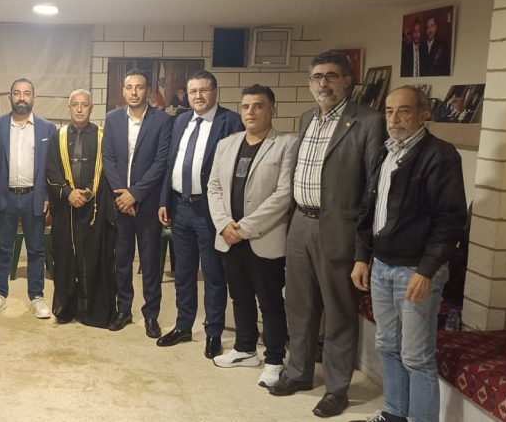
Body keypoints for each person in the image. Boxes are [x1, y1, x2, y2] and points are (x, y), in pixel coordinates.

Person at [267, 51, 386, 418]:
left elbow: (372, 187)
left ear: (347, 80)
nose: (324, 83)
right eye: (317, 76)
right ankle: (299, 373)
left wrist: (363, 248)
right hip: (300, 223)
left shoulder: (367, 122)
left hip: (340, 228)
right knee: (299, 305)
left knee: (338, 312)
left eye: (332, 76)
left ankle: (336, 389)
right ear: (309, 82)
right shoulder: (307, 118)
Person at [350, 86, 466, 422]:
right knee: (387, 346)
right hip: (382, 267)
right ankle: (395, 414)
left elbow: (451, 220)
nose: (394, 119)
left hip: (416, 271)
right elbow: (369, 210)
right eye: (389, 111)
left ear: (423, 115)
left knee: (416, 356)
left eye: (404, 111)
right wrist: (362, 256)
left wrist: (426, 270)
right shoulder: (385, 153)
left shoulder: (440, 155)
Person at [207, 84, 296, 387]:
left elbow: (283, 194)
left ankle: (274, 359)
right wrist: (224, 224)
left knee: (270, 301)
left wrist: (244, 228)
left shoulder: (285, 145)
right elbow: (214, 187)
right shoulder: (227, 144)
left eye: (258, 106)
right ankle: (245, 349)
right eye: (246, 106)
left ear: (273, 110)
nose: (250, 112)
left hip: (262, 237)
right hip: (229, 237)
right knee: (240, 296)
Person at [156, 71, 243, 359]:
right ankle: (183, 326)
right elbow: (170, 163)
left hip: (209, 210)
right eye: (193, 91)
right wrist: (164, 200)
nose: (198, 96)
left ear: (215, 91)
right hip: (180, 207)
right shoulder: (181, 121)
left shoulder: (230, 121)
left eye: (204, 90)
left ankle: (213, 331)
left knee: (213, 274)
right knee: (183, 272)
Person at [101, 68, 174, 337]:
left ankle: (151, 314)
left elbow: (161, 163)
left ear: (148, 91)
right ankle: (124, 309)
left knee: (150, 262)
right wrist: (123, 196)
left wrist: (135, 194)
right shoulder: (112, 119)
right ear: (123, 91)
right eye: (129, 87)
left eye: (139, 87)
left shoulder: (163, 121)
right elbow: (108, 158)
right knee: (121, 261)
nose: (134, 92)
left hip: (147, 204)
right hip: (120, 204)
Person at [0, 78, 57, 319]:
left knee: (36, 250)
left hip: (34, 197)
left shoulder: (47, 128)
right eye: (17, 93)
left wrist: (47, 195)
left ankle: (37, 297)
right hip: (5, 195)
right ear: (10, 97)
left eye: (26, 93)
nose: (22, 98)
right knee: (3, 248)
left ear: (34, 97)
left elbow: (51, 167)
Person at [47, 89, 118, 327]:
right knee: (66, 258)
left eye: (84, 105)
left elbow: (107, 169)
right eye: (75, 105)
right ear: (69, 108)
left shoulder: (102, 136)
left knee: (95, 257)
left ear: (91, 108)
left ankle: (94, 311)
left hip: (95, 207)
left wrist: (88, 191)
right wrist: (68, 193)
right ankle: (67, 307)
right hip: (66, 208)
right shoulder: (57, 136)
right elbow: (51, 170)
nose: (79, 109)